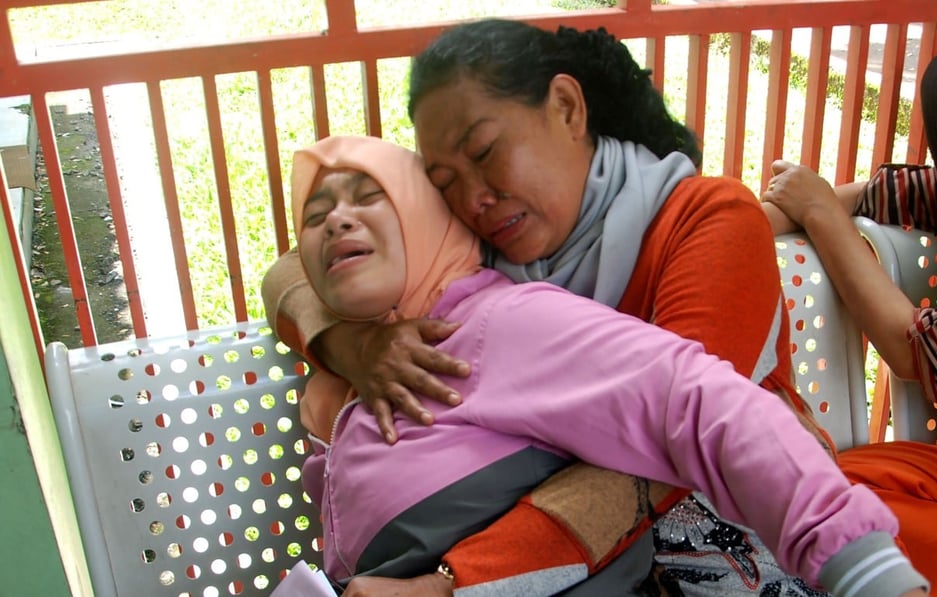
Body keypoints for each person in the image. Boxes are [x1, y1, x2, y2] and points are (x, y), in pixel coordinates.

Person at [262, 19, 835, 595]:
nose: (473, 198)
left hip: (732, 535)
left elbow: (670, 453)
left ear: (565, 108)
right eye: (444, 182)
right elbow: (293, 270)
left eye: (484, 152)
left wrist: (452, 582)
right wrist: (356, 346)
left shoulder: (707, 220)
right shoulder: (490, 242)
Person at [287, 133, 929, 597]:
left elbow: (692, 404)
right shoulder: (362, 360)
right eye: (315, 218)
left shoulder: (499, 323)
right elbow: (287, 275)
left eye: (372, 197)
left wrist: (858, 558)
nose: (336, 220)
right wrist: (345, 342)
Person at [762, 41, 937, 597]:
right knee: (839, 485)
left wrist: (818, 212)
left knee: (849, 502)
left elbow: (914, 353)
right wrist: (737, 232)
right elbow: (867, 196)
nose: (935, 152)